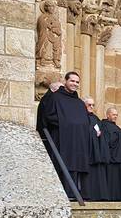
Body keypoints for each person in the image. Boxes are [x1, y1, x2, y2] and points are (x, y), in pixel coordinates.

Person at [38, 71, 92, 200]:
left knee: (77, 165)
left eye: (77, 82)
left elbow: (85, 121)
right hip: (62, 138)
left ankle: (79, 194)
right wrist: (67, 123)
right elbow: (47, 114)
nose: (74, 84)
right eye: (72, 81)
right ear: (65, 82)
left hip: (78, 141)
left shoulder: (79, 103)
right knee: (64, 164)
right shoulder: (56, 97)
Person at [80, 97, 110, 201]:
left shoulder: (95, 118)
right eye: (89, 105)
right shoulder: (81, 117)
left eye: (93, 105)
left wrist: (100, 134)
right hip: (87, 151)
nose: (92, 107)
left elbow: (101, 131)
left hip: (97, 150)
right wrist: (94, 133)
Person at [100, 107, 121, 201]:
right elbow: (107, 141)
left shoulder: (116, 127)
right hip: (113, 158)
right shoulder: (104, 126)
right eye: (113, 114)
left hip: (120, 158)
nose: (115, 117)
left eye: (116, 115)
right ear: (108, 115)